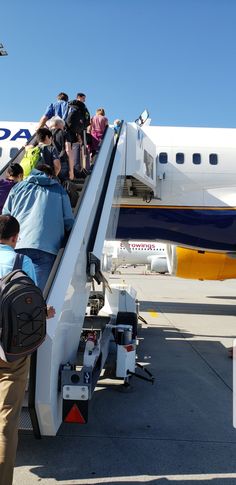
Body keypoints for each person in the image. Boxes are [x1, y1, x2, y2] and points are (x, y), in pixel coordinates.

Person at [0, 214, 55, 485]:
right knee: (6, 421)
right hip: (11, 352)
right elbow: (32, 305)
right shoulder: (23, 262)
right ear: (15, 238)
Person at [2, 165, 74, 291]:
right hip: (47, 248)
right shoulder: (59, 190)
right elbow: (68, 220)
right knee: (36, 294)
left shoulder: (18, 187)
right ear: (50, 175)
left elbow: (6, 216)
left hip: (18, 244)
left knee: (12, 289)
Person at [49, 116, 74, 181]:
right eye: (63, 126)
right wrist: (71, 171)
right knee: (63, 185)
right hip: (62, 162)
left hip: (48, 162)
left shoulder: (46, 133)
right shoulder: (64, 133)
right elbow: (68, 150)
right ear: (60, 125)